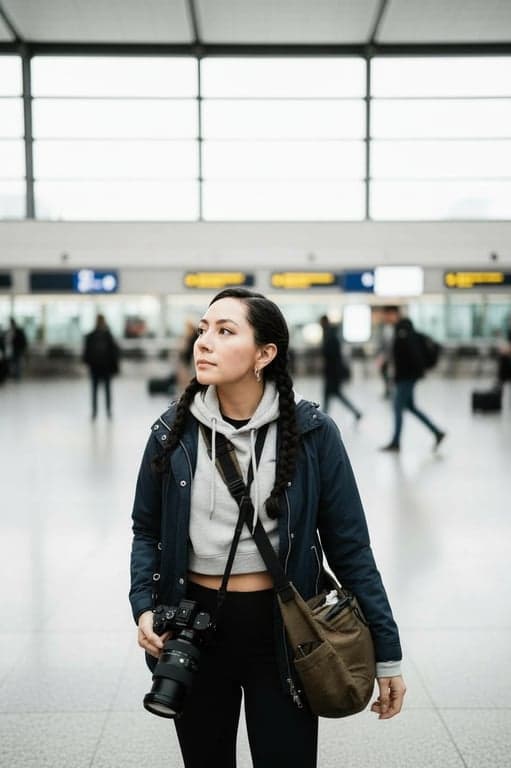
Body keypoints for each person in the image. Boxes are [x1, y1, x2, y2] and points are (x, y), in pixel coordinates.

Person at [129, 288, 405, 768]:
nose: (204, 343)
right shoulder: (171, 432)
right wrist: (144, 607)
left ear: (265, 353)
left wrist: (388, 654)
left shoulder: (314, 433)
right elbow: (146, 530)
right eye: (202, 330)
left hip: (284, 631)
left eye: (225, 331)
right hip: (193, 627)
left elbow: (351, 549)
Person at [380, 307, 445, 452]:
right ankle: (437, 432)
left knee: (397, 407)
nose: (386, 318)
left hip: (406, 377)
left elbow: (407, 357)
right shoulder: (403, 329)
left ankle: (396, 442)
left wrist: (402, 375)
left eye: (387, 315)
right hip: (407, 376)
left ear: (394, 314)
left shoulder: (403, 331)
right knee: (410, 407)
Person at [319, 314, 362, 420]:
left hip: (332, 373)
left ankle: (323, 418)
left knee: (331, 396)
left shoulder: (330, 336)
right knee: (333, 396)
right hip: (332, 372)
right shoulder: (331, 334)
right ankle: (355, 412)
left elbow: (331, 355)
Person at [82, 314, 119, 420]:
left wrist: (89, 363)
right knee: (106, 390)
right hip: (105, 368)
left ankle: (95, 412)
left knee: (95, 391)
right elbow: (114, 352)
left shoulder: (91, 335)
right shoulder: (107, 335)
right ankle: (108, 411)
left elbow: (86, 353)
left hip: (95, 368)